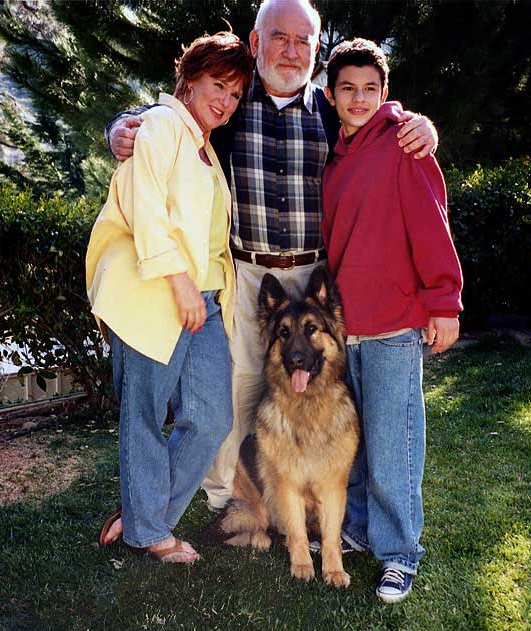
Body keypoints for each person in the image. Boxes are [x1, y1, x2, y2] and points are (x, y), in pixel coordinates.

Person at [105, 0, 439, 533]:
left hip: (316, 276)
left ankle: (317, 505)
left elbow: (380, 117)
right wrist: (120, 126)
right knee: (238, 387)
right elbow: (160, 117)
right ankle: (229, 501)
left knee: (324, 392)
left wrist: (422, 125)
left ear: (316, 50)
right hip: (246, 273)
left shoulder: (332, 109)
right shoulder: (229, 100)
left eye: (303, 41)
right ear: (257, 42)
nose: (291, 50)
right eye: (279, 37)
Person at [86, 32, 254, 562]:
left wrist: (202, 294)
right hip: (155, 294)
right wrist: (181, 284)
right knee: (144, 415)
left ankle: (145, 513)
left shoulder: (203, 144)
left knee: (210, 419)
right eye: (217, 86)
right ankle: (151, 531)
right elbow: (147, 210)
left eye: (234, 94)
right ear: (189, 79)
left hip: (202, 299)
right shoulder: (159, 126)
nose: (225, 102)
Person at [321, 38, 463, 601]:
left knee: (393, 447)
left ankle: (399, 552)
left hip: (393, 327)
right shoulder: (336, 158)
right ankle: (357, 531)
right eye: (348, 90)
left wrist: (443, 302)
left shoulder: (405, 144)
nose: (359, 99)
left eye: (370, 90)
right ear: (331, 96)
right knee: (353, 446)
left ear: (385, 94)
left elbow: (433, 225)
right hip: (345, 328)